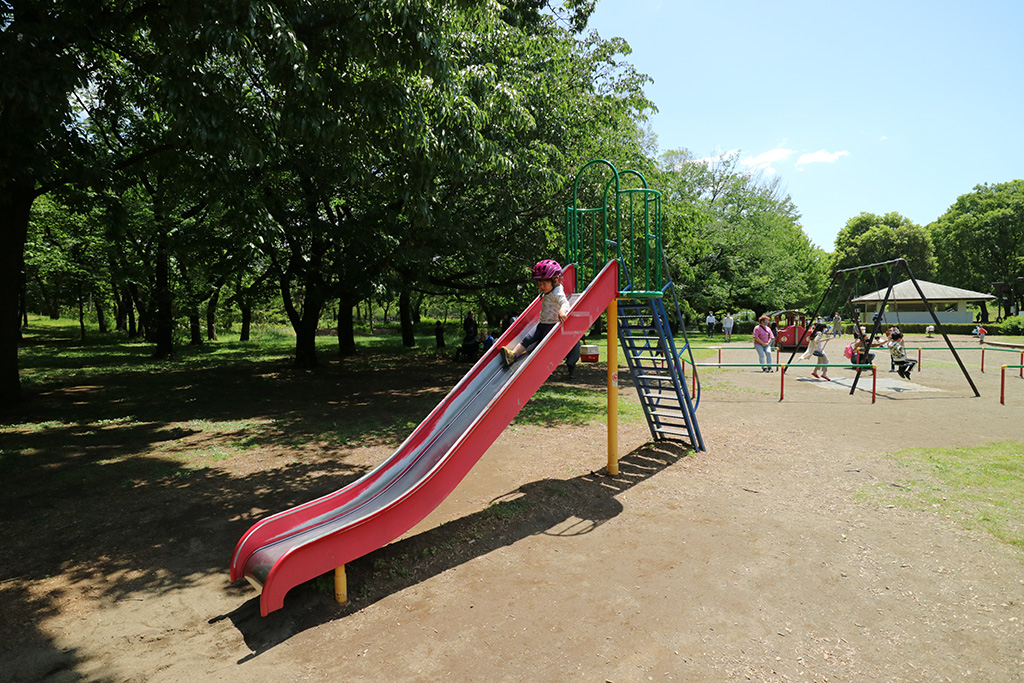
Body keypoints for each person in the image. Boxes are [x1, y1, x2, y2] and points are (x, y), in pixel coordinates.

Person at [500, 259, 571, 367]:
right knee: (527, 339)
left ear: (555, 280)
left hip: (551, 326)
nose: (541, 287)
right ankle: (512, 356)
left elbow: (565, 303)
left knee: (540, 346)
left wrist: (562, 311)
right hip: (542, 324)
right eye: (539, 284)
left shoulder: (557, 292)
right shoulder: (547, 291)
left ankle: (530, 360)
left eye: (544, 283)